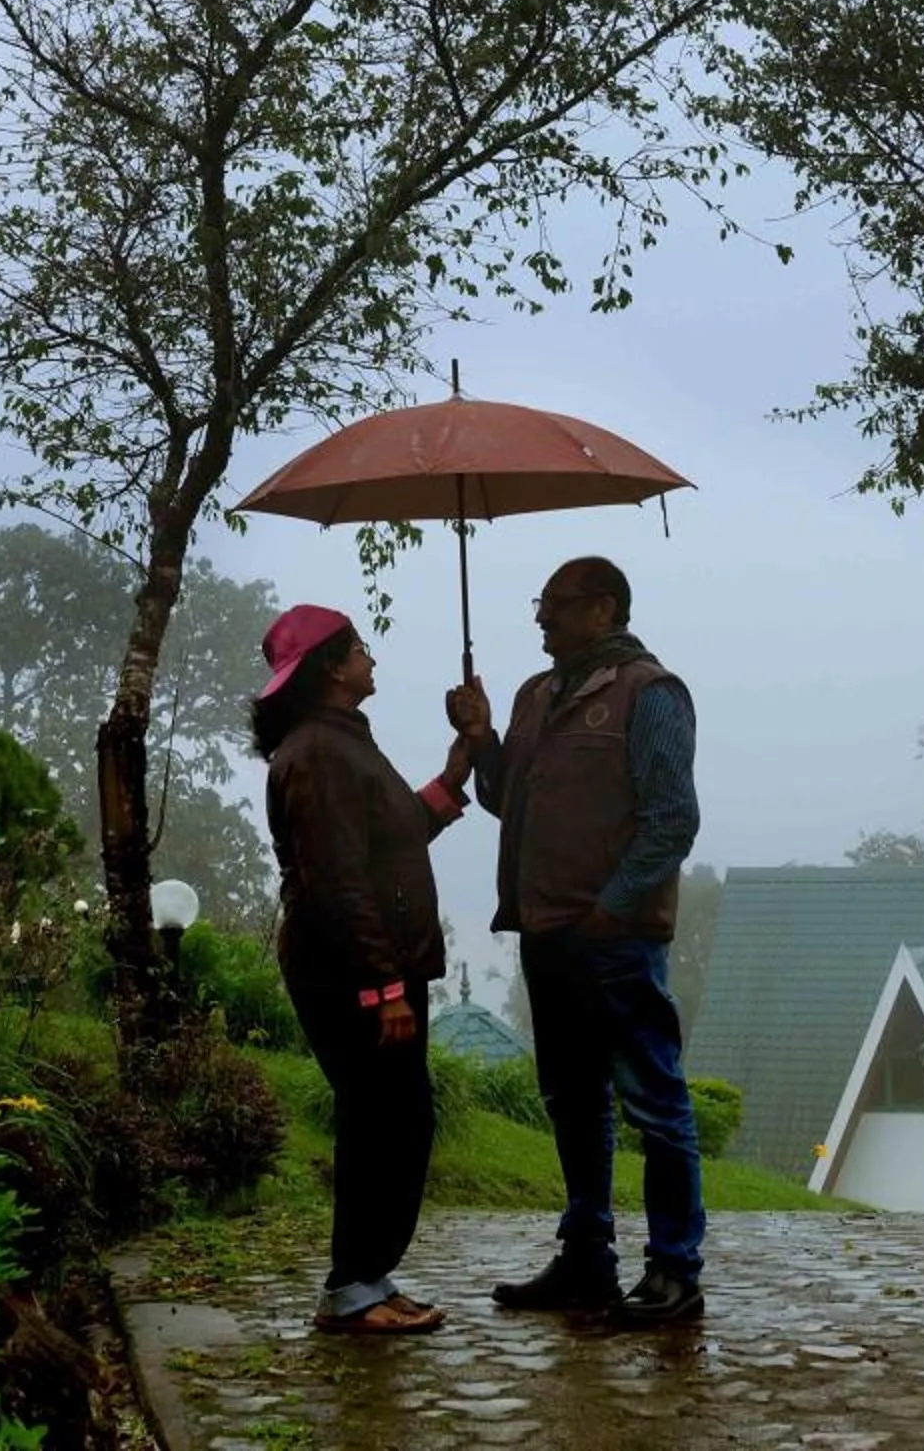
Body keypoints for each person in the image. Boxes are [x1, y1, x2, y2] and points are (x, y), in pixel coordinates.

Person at [448, 555, 707, 1326]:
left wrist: (609, 910)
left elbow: (672, 821)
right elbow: (505, 798)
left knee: (654, 1104)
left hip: (615, 941)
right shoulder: (536, 695)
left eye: (554, 605)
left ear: (604, 608)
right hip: (545, 934)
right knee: (572, 1102)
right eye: (540, 603)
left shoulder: (650, 695)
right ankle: (587, 1261)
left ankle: (674, 1272)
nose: (540, 618)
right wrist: (482, 735)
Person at [255, 602, 474, 1337]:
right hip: (351, 973)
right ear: (331, 668)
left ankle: (368, 1278)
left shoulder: (341, 743)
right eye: (359, 649)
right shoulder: (317, 753)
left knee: (397, 1122)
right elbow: (339, 881)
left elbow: (394, 835)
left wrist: (457, 766)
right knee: (384, 1123)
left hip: (371, 968)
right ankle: (351, 1290)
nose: (371, 659)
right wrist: (383, 988)